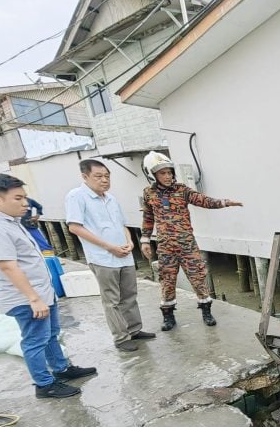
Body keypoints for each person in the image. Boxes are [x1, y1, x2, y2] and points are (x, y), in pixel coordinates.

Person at [0, 173, 97, 399]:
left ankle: (61, 369)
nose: (25, 203)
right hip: (25, 296)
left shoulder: (8, 220)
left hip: (41, 291)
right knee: (35, 340)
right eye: (18, 198)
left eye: (25, 197)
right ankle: (44, 384)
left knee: (51, 334)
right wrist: (33, 298)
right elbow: (8, 266)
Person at [140, 151, 243, 331]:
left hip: (187, 245)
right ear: (152, 174)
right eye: (162, 173)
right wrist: (145, 239)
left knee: (198, 278)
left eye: (169, 172)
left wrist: (225, 202)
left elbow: (204, 200)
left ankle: (206, 311)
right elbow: (148, 218)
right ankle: (168, 316)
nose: (167, 176)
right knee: (167, 280)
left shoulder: (182, 190)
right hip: (166, 247)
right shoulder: (149, 194)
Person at [66, 159, 154, 352]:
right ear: (85, 176)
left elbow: (122, 225)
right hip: (103, 258)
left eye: (107, 176)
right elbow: (75, 227)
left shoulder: (110, 198)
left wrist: (130, 242)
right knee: (112, 300)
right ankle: (121, 338)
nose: (104, 180)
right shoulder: (77, 196)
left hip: (124, 255)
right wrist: (108, 246)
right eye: (98, 176)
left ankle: (134, 329)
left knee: (129, 295)